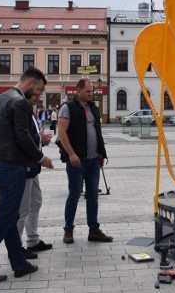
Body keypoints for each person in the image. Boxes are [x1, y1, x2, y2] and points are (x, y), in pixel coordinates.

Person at [0, 68, 53, 283]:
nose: (40, 94)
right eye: (40, 89)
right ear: (29, 84)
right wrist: (41, 158)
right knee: (6, 218)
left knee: (11, 216)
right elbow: (23, 137)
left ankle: (19, 263)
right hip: (12, 167)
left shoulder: (3, 97)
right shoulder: (19, 102)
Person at [58, 78, 112, 244]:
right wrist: (71, 154)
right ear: (78, 90)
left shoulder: (93, 108)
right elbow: (61, 132)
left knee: (93, 196)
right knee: (74, 195)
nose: (91, 94)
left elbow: (98, 132)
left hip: (93, 160)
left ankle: (94, 230)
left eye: (92, 91)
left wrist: (101, 153)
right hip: (77, 160)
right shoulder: (68, 108)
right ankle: (68, 230)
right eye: (88, 91)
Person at [17, 91, 53, 258]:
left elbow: (31, 138)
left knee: (36, 201)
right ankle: (16, 246)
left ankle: (33, 241)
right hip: (25, 166)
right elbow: (22, 140)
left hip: (33, 166)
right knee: (22, 208)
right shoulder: (21, 109)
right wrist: (41, 156)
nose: (39, 98)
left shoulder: (31, 111)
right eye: (36, 95)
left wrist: (41, 141)